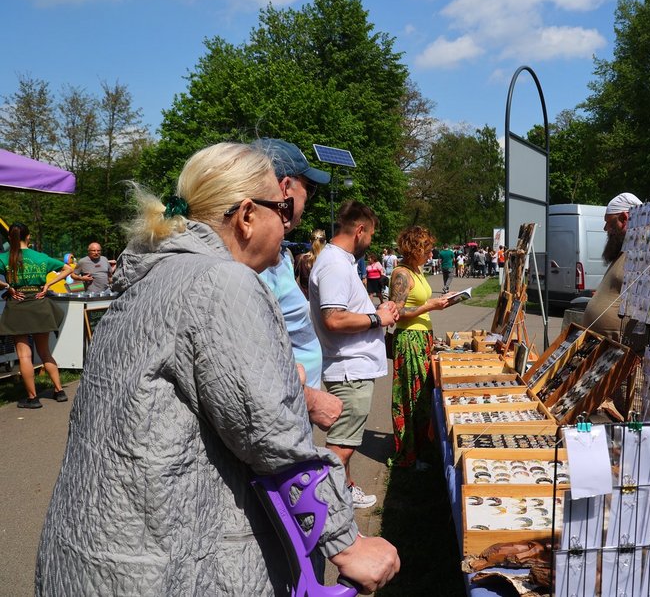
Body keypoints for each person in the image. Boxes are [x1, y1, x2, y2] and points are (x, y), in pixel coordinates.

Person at [35, 142, 399, 595]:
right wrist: (346, 544)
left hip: (91, 554)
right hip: (156, 568)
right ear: (247, 215)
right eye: (281, 210)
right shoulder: (221, 281)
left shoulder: (153, 275)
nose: (288, 226)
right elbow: (272, 436)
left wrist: (289, 385)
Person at [310, 200, 400, 509]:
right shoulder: (335, 263)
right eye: (371, 235)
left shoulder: (340, 261)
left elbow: (344, 312)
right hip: (350, 370)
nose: (370, 242)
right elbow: (333, 319)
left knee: (343, 440)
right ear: (359, 230)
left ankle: (343, 490)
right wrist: (378, 319)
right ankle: (322, 504)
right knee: (341, 446)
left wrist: (377, 312)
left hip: (351, 367)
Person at [253, 138, 342, 435]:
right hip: (280, 415)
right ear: (286, 188)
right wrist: (309, 399)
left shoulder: (277, 256)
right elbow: (248, 361)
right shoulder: (253, 260)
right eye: (310, 189)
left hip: (291, 409)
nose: (309, 200)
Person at [387, 226, 450, 469]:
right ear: (415, 249)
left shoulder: (416, 270)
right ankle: (409, 455)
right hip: (409, 340)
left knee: (421, 398)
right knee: (410, 398)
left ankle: (421, 449)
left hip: (422, 338)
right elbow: (397, 313)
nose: (431, 254)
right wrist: (430, 306)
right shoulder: (401, 274)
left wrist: (445, 300)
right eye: (427, 249)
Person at [0, 223, 74, 408]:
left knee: (24, 355)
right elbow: (69, 269)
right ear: (29, 237)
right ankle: (59, 391)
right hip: (39, 304)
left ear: (10, 238)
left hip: (17, 304)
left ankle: (33, 398)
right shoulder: (41, 257)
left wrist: (8, 287)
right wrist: (48, 285)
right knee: (44, 351)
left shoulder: (4, 257)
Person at [581, 192, 643, 341]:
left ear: (624, 218)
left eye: (609, 222)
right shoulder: (623, 249)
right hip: (601, 346)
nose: (605, 228)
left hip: (620, 348)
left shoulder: (644, 252)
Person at [295, 228, 327, 299]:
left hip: (305, 301)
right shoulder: (329, 260)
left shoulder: (300, 259)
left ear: (310, 241)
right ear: (324, 242)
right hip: (324, 301)